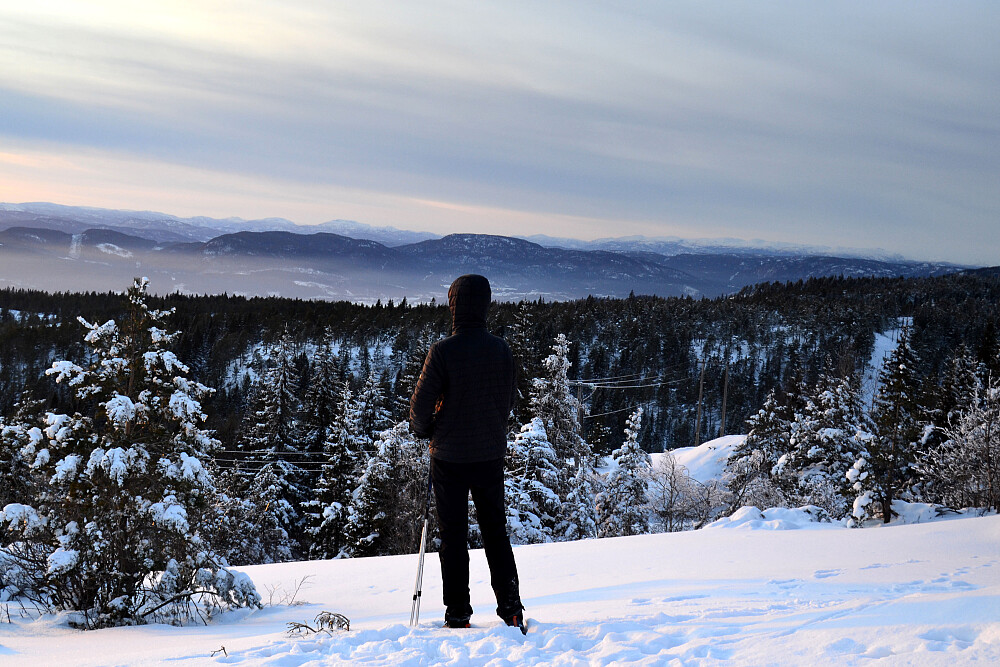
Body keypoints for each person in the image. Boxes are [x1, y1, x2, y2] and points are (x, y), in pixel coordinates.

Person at [409, 274, 526, 632]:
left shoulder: (442, 352)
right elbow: (506, 403)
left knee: (454, 536)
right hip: (489, 455)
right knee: (495, 532)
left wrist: (429, 431)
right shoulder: (501, 350)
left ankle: (458, 611)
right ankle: (511, 609)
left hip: (448, 458)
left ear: (454, 305)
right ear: (486, 304)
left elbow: (418, 412)